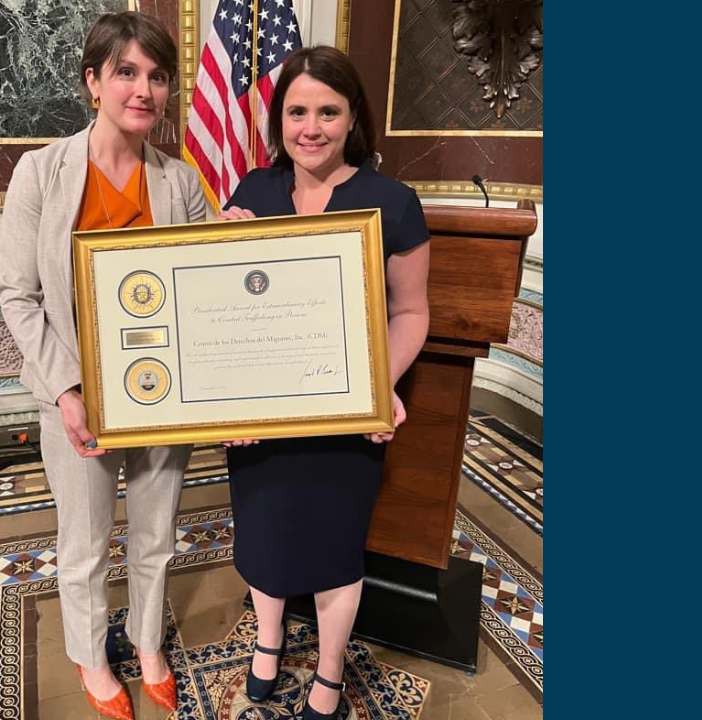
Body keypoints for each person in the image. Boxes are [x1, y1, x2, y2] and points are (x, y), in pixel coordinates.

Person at [0, 12, 210, 720]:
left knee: (156, 532)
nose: (142, 89)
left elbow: (211, 277)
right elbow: (19, 296)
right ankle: (92, 658)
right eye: (126, 72)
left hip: (161, 395)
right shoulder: (41, 171)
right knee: (84, 544)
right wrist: (66, 388)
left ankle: (149, 643)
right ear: (93, 81)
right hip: (77, 398)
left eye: (155, 76)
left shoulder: (180, 184)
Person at [218, 46, 431, 720]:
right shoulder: (249, 194)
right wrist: (219, 250)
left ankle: (331, 671)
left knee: (336, 547)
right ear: (279, 116)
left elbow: (412, 312)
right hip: (260, 416)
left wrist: (379, 385)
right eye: (297, 110)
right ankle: (268, 643)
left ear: (352, 118)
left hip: (346, 419)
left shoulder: (393, 203)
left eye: (328, 111)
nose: (310, 126)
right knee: (263, 537)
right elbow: (222, 311)